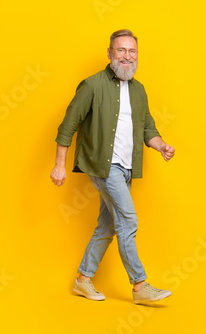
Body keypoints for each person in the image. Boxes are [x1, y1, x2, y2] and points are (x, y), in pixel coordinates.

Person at [50, 29, 175, 304]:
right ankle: (140, 286)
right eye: (121, 50)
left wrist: (161, 145)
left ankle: (83, 280)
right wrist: (60, 165)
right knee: (128, 220)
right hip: (104, 167)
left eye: (132, 51)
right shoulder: (92, 85)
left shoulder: (139, 89)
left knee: (107, 227)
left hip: (127, 168)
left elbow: (147, 128)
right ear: (110, 54)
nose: (127, 56)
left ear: (137, 56)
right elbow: (68, 125)